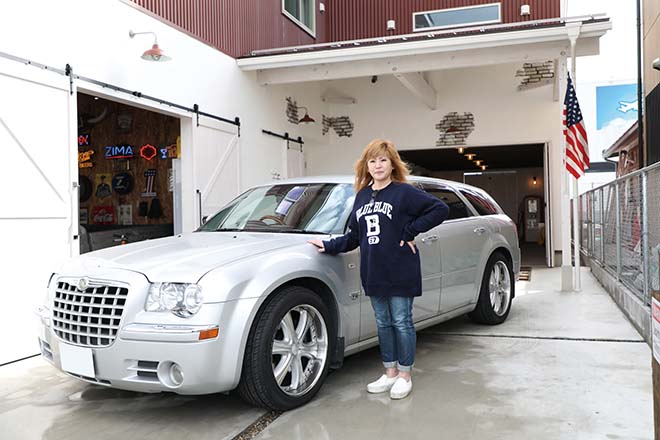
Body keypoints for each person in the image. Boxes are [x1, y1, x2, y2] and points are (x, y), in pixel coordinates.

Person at [308, 139, 449, 400]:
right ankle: (390, 372)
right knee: (383, 323)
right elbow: (353, 237)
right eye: (372, 161)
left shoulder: (404, 192)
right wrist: (327, 245)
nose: (378, 165)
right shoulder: (361, 195)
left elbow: (440, 208)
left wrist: (409, 231)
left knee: (401, 322)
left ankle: (405, 375)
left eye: (383, 160)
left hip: (400, 268)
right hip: (373, 270)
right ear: (366, 166)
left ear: (392, 164)